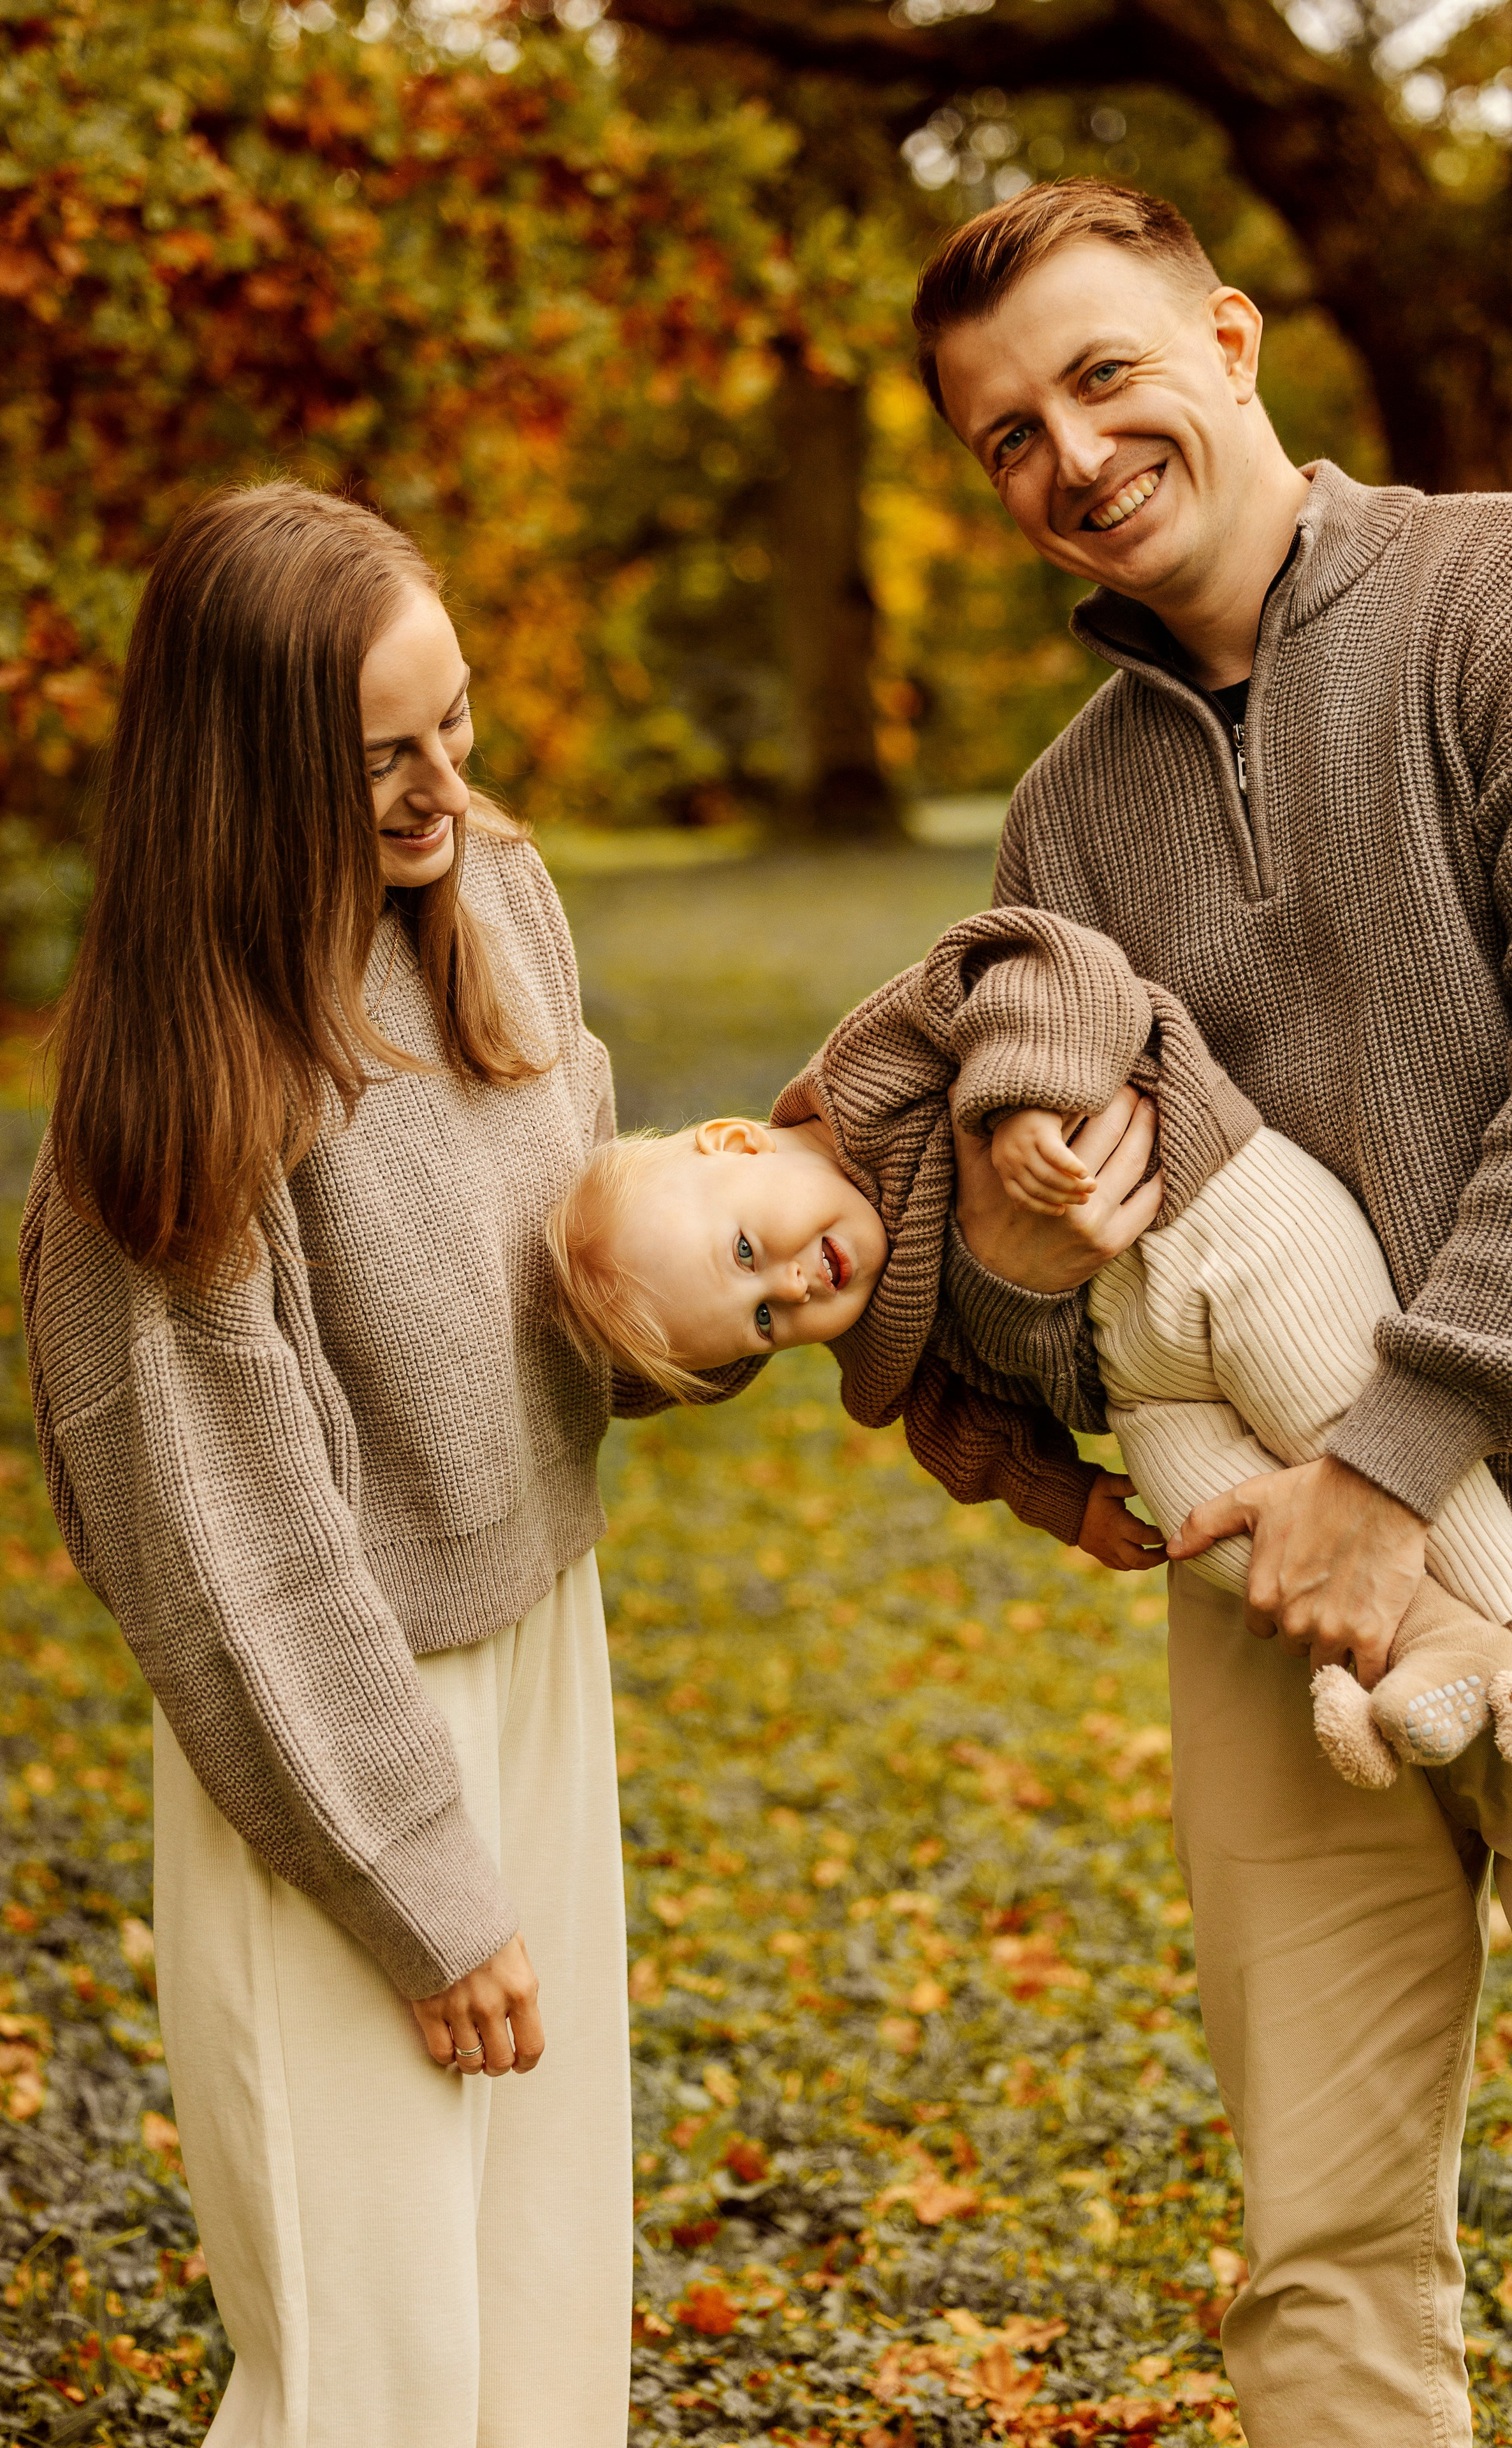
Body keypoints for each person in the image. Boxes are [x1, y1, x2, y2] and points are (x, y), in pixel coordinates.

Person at [902, 176, 1512, 2444]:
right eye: (1007, 436)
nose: (1071, 455)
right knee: (1318, 2266)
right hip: (1284, 1627)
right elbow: (1041, 1348)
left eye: (1103, 373)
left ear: (1228, 340)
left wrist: (1399, 1460)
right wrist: (1020, 1268)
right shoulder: (1062, 828)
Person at [20, 482, 754, 2448]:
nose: (448, 791)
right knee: (380, 2366)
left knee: (536, 2307)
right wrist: (419, 1886)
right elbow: (231, 1559)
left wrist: (731, 1288)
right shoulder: (172, 1103)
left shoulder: (490, 894)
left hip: (539, 1651)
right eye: (381, 762)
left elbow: (570, 1252)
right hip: (335, 1731)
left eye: (460, 727)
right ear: (246, 777)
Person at [542, 901, 1512, 1791]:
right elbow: (965, 1436)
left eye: (744, 1251)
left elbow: (1047, 963)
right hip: (1142, 1377)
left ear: (730, 1143)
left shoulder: (877, 1068)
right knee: (1205, 1523)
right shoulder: (880, 1342)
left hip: (1220, 1217)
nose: (791, 1286)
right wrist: (1066, 1498)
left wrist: (1021, 1096)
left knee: (1343, 1421)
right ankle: (1442, 1642)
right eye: (765, 1324)